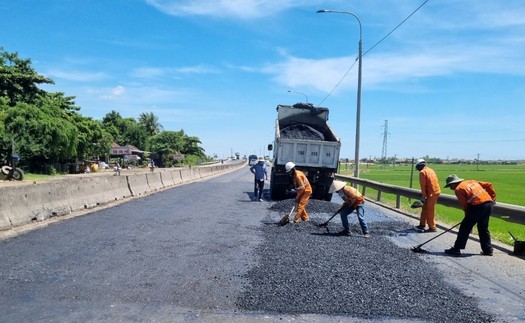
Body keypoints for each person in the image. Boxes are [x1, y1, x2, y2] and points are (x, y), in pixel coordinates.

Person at [443, 174, 496, 256]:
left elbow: (465, 205)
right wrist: (492, 198)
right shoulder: (472, 181)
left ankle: (457, 249)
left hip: (477, 206)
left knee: (465, 227)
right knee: (483, 227)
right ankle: (488, 250)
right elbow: (489, 184)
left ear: (454, 183)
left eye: (450, 186)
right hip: (488, 204)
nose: (450, 188)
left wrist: (468, 217)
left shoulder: (458, 189)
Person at [414, 159, 441, 232]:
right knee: (425, 208)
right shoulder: (431, 170)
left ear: (420, 165)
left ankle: (432, 227)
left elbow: (423, 186)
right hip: (435, 191)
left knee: (429, 210)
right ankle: (422, 225)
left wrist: (423, 196)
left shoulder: (422, 172)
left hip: (431, 193)